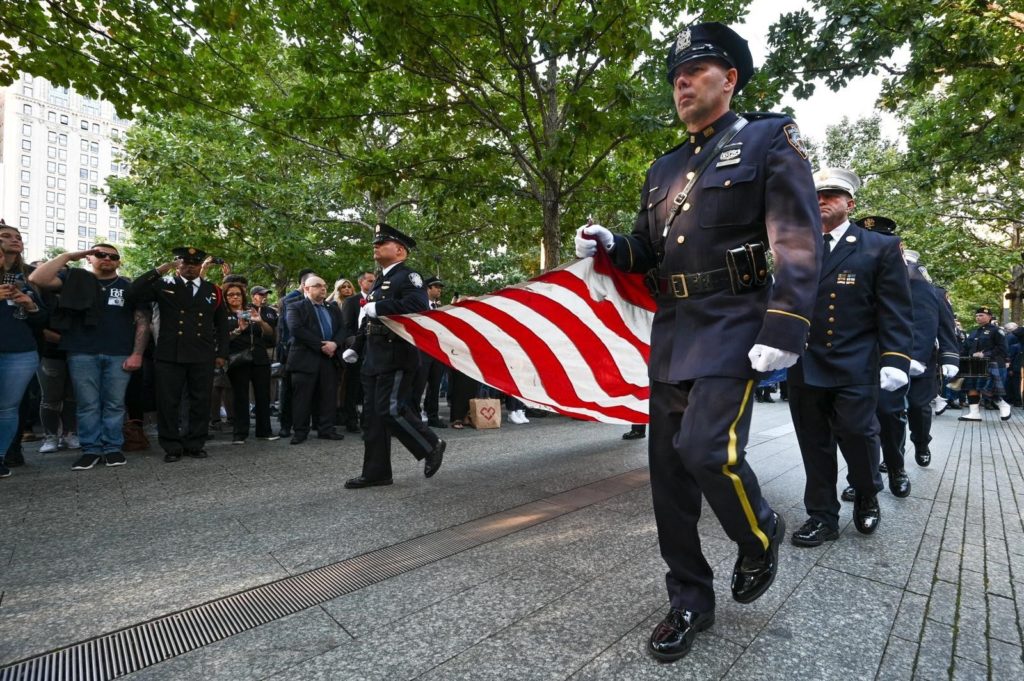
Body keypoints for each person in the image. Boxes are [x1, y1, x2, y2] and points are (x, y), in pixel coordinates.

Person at [573, 23, 821, 662]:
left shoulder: (770, 139)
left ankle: (759, 533)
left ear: (730, 78)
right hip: (677, 329)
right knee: (669, 479)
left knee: (708, 450)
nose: (681, 83)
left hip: (736, 324)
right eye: (676, 76)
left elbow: (796, 237)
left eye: (697, 69)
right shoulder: (662, 170)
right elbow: (647, 253)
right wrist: (609, 245)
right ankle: (688, 598)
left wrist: (786, 324)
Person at [787, 170, 913, 548]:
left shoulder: (877, 246)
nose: (822, 200)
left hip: (855, 362)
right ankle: (821, 516)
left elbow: (895, 309)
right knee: (814, 443)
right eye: (816, 194)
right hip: (805, 361)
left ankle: (866, 490)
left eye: (831, 194)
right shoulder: (796, 244)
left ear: (850, 203)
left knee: (859, 435)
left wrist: (896, 359)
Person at [342, 224, 446, 488]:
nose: (375, 246)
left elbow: (417, 307)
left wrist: (379, 307)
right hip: (374, 355)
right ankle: (377, 472)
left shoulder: (409, 277)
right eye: (376, 243)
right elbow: (370, 319)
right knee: (373, 419)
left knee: (390, 409)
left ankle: (431, 444)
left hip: (396, 353)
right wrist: (357, 345)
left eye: (382, 243)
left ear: (400, 250)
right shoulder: (379, 280)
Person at [30, 244, 149, 469]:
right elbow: (38, 278)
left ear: (119, 262)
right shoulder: (74, 278)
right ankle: (91, 449)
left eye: (113, 256)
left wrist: (137, 353)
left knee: (114, 404)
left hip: (119, 353)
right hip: (82, 352)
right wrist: (67, 256)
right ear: (89, 258)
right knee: (87, 404)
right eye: (100, 254)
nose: (107, 258)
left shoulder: (128, 286)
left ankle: (113, 448)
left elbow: (142, 321)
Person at [130, 247, 230, 462]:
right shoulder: (164, 285)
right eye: (185, 263)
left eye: (194, 263)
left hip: (202, 354)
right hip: (170, 353)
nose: (190, 267)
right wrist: (160, 270)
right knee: (168, 402)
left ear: (200, 266)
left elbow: (221, 325)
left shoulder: (213, 290)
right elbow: (133, 292)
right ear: (177, 265)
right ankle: (172, 445)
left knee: (200, 401)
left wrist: (221, 353)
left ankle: (195, 443)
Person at [0, 221, 48, 478]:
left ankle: (4, 454)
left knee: (9, 408)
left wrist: (30, 305)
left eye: (17, 236)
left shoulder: (26, 277)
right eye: (6, 236)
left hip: (20, 352)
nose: (14, 240)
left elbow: (42, 321)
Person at [284, 275, 346, 444]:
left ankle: (326, 429)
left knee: (328, 396)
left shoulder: (332, 307)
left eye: (324, 285)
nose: (323, 289)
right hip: (305, 359)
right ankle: (300, 431)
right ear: (306, 288)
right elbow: (296, 329)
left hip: (329, 359)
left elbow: (342, 329)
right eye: (318, 286)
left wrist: (334, 344)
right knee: (302, 398)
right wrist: (321, 346)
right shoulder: (295, 306)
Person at [222, 282, 278, 444]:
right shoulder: (222, 314)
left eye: (238, 294)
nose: (235, 297)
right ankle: (240, 433)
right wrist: (238, 330)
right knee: (240, 396)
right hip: (238, 358)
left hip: (259, 358)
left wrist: (260, 321)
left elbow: (269, 334)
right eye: (230, 295)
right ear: (225, 297)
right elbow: (222, 338)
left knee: (263, 395)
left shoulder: (251, 311)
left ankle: (264, 431)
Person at [275, 269, 316, 438]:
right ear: (304, 284)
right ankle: (286, 424)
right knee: (287, 390)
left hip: (307, 351)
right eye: (315, 284)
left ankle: (303, 424)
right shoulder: (290, 300)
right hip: (289, 350)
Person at [958, 306, 1012, 421]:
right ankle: (974, 413)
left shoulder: (997, 331)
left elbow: (1003, 348)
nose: (978, 317)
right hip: (973, 364)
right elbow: (966, 348)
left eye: (981, 315)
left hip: (991, 363)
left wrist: (985, 354)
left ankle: (1003, 405)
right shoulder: (974, 332)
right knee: (971, 387)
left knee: (988, 389)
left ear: (989, 317)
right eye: (977, 315)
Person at [339, 270, 376, 433]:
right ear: (361, 282)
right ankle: (350, 419)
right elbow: (346, 327)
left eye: (375, 280)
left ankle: (368, 420)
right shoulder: (352, 301)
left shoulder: (378, 299)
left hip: (375, 349)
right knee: (353, 386)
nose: (373, 283)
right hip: (356, 349)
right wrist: (355, 345)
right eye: (370, 281)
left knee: (369, 387)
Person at [411, 276, 449, 428]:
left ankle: (432, 415)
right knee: (418, 386)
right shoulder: (417, 306)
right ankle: (414, 416)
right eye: (436, 286)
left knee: (435, 386)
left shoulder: (439, 308)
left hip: (437, 352)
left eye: (440, 287)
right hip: (421, 351)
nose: (439, 289)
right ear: (427, 288)